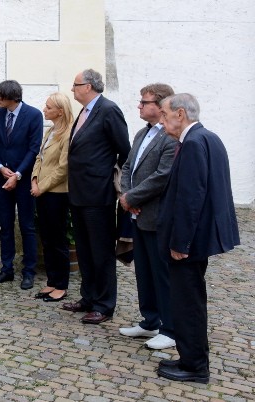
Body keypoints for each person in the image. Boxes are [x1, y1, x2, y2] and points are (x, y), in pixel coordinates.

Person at [156, 93, 239, 384]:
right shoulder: (209, 137)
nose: (162, 120)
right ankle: (191, 356)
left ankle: (194, 366)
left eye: (165, 115)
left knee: (187, 302)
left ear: (180, 113)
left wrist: (181, 243)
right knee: (191, 300)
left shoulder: (192, 143)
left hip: (189, 243)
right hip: (199, 239)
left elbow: (191, 198)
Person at [61, 69, 130, 324]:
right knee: (85, 250)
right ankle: (88, 297)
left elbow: (125, 151)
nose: (72, 89)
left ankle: (104, 304)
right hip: (78, 193)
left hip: (98, 195)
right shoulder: (85, 111)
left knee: (100, 252)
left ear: (88, 86)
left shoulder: (109, 110)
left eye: (75, 84)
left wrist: (114, 184)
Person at [118, 83, 178, 349]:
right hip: (137, 214)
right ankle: (150, 320)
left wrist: (132, 198)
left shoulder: (170, 137)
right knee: (143, 270)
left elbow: (162, 176)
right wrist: (126, 196)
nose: (139, 106)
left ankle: (169, 327)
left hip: (156, 215)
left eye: (145, 102)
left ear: (161, 105)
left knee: (161, 273)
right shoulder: (142, 134)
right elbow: (129, 166)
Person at [0, 80, 43, 290]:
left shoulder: (34, 115)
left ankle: (29, 271)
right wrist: (0, 168)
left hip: (24, 178)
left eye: (0, 96)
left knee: (27, 226)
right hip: (1, 178)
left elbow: (34, 148)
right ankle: (6, 268)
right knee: (5, 226)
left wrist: (17, 174)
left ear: (11, 97)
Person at [30, 92, 73, 302]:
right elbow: (40, 157)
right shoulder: (50, 132)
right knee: (46, 239)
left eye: (48, 107)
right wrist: (35, 179)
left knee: (57, 240)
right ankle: (52, 281)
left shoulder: (67, 134)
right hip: (42, 192)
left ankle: (62, 285)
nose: (44, 109)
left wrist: (42, 186)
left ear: (60, 111)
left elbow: (64, 167)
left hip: (57, 194)